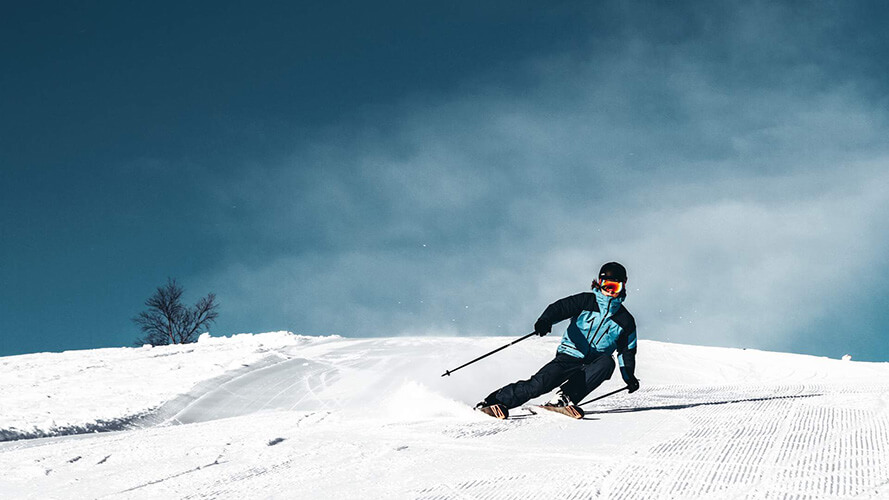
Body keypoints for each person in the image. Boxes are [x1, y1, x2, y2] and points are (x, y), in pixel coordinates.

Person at [475, 262, 639, 419]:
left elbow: (627, 351)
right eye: (606, 285)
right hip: (569, 355)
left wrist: (629, 377)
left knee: (607, 363)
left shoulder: (626, 321)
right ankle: (493, 402)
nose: (609, 291)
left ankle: (562, 399)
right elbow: (560, 308)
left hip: (594, 363)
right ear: (599, 283)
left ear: (623, 285)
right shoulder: (585, 301)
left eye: (614, 286)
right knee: (539, 384)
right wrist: (545, 321)